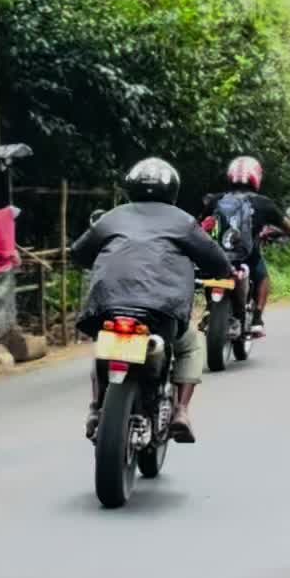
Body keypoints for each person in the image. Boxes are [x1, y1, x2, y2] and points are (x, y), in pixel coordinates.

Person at [72, 157, 233, 443]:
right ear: (172, 190)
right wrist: (223, 272)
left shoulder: (112, 217)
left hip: (108, 306)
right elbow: (217, 261)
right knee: (190, 345)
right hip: (161, 311)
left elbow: (79, 253)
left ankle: (96, 407)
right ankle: (181, 411)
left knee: (103, 346)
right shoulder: (183, 221)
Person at [200, 155, 290, 338]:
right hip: (246, 256)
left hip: (218, 254)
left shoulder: (216, 200)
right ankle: (257, 319)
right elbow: (289, 228)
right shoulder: (264, 203)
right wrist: (280, 233)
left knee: (212, 272)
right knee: (262, 275)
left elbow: (200, 223)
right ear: (255, 177)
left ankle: (209, 309)